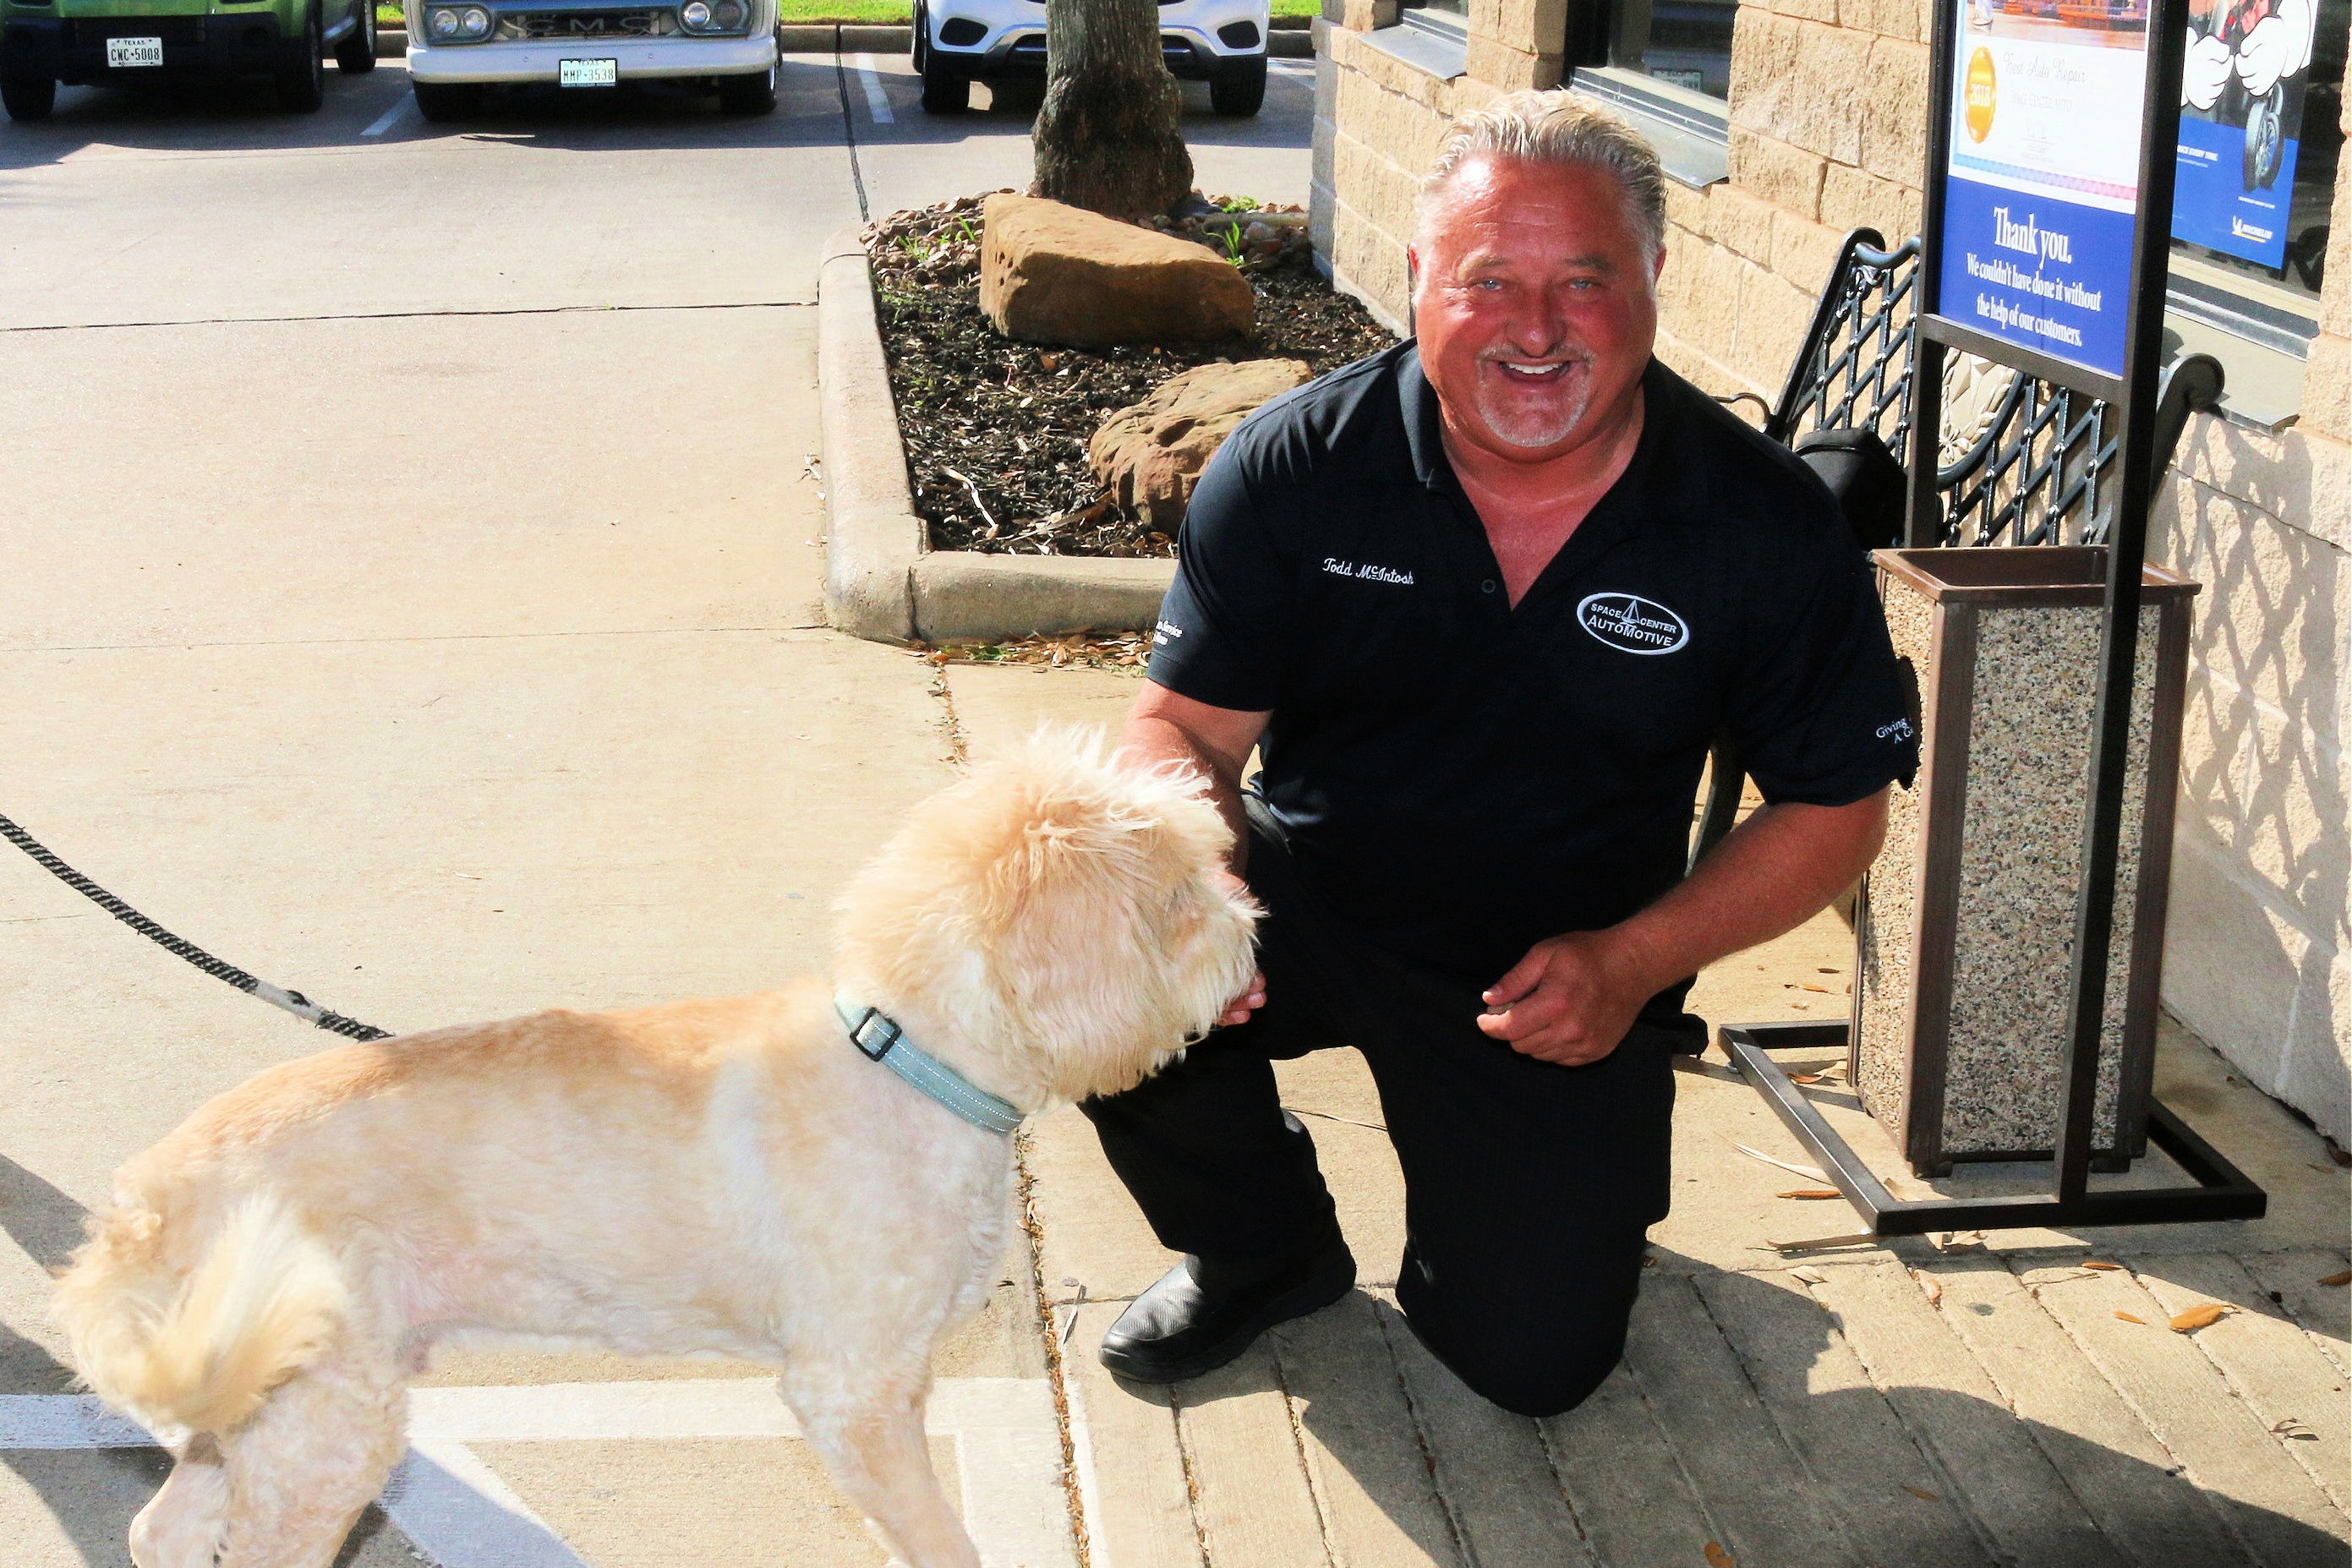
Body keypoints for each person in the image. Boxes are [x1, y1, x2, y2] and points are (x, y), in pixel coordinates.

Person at [1085, 91, 1920, 1418]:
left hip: (1563, 964)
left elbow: (1835, 809)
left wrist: (1635, 963)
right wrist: (1192, 899)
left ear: (1649, 281)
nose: (1534, 332)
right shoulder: (1294, 466)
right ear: (1420, 281)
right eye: (1488, 282)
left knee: (1532, 1367)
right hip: (1303, 894)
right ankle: (1264, 1249)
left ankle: (1527, 1225)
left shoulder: (1758, 524)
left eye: (1582, 283)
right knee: (1094, 949)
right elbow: (1182, 728)